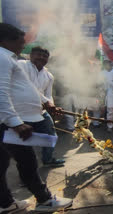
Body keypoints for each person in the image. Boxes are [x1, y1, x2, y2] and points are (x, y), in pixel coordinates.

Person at [0, 23, 72, 213]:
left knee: (2, 162)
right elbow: (1, 92)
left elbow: (30, 90)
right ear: (6, 40)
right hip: (12, 121)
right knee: (28, 162)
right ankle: (45, 200)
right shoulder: (4, 58)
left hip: (20, 118)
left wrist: (47, 103)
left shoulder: (9, 58)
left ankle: (5, 203)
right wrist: (15, 122)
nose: (23, 46)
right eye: (21, 42)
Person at [18, 47, 65, 166]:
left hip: (40, 112)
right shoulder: (22, 65)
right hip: (22, 112)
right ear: (30, 55)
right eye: (38, 55)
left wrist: (52, 105)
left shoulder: (49, 75)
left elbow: (48, 95)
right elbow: (28, 86)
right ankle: (26, 175)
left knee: (51, 136)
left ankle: (47, 159)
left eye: (45, 56)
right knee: (22, 144)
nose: (41, 58)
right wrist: (46, 102)